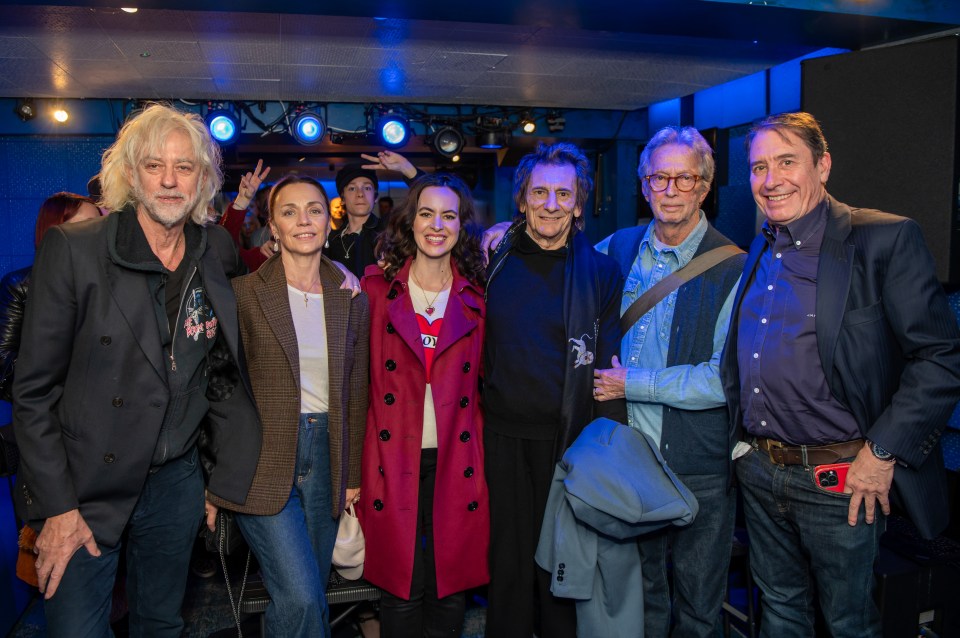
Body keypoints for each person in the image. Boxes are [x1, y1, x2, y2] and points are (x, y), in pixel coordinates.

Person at [13, 103, 261, 636]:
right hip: (85, 488)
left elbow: (220, 367)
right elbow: (32, 392)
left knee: (161, 624)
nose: (170, 181)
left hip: (175, 483)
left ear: (203, 179)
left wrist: (216, 478)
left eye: (185, 167)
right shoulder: (75, 249)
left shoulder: (215, 248)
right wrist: (57, 508)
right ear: (129, 173)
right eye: (154, 165)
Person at [720, 111, 960, 636]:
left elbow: (940, 356)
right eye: (758, 167)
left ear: (823, 166)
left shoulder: (884, 239)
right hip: (760, 471)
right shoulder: (762, 242)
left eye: (787, 162)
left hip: (842, 478)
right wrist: (740, 445)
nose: (770, 179)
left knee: (848, 623)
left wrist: (881, 451)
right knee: (780, 610)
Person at [591, 126, 746, 637]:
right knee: (644, 598)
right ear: (643, 184)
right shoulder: (616, 246)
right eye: (660, 177)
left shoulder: (735, 268)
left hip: (698, 462)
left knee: (700, 605)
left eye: (685, 178)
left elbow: (723, 380)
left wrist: (630, 383)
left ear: (704, 188)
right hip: (629, 458)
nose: (671, 189)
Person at [206, 174, 370, 637]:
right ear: (272, 227)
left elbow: (357, 389)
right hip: (262, 459)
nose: (304, 220)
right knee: (298, 597)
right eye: (289, 211)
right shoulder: (243, 295)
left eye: (315, 210)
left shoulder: (351, 296)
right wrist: (215, 480)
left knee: (312, 593)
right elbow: (221, 391)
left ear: (328, 222)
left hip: (327, 457)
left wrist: (351, 475)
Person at [483, 142, 626, 638]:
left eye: (563, 194)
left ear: (579, 204)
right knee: (507, 561)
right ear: (521, 200)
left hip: (569, 440)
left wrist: (605, 448)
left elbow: (608, 370)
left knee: (564, 563)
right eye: (539, 192)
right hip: (498, 437)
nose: (550, 203)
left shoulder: (603, 272)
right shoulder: (491, 262)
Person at [359, 173, 489, 637]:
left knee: (450, 586)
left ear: (462, 225)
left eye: (449, 215)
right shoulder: (375, 290)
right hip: (392, 459)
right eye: (426, 213)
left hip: (457, 459)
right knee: (400, 587)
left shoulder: (478, 295)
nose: (437, 225)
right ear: (410, 221)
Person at [0, 192, 100, 403]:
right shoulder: (20, 285)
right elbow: (3, 359)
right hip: (45, 411)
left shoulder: (109, 282)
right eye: (89, 226)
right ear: (57, 230)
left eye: (102, 225)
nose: (99, 234)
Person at [325, 163, 387, 277]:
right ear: (342, 198)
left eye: (367, 188)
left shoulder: (388, 234)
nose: (360, 194)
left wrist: (408, 171)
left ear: (375, 197)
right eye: (352, 188)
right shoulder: (331, 239)